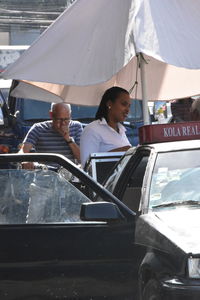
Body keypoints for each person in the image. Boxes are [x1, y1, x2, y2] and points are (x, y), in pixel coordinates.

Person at [80, 86, 132, 168]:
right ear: (109, 104)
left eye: (129, 106)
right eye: (124, 104)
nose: (127, 110)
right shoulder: (92, 130)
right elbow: (87, 167)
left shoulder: (121, 130)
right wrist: (125, 152)